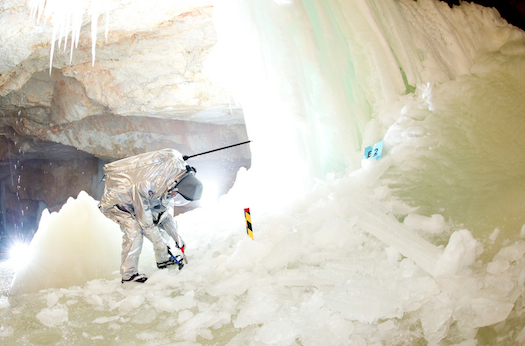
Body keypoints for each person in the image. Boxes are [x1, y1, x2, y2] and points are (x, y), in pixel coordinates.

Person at [98, 148, 203, 283]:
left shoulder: (173, 179)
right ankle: (128, 275)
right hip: (119, 205)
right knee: (135, 231)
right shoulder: (145, 187)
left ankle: (163, 260)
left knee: (160, 218)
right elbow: (146, 224)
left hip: (143, 200)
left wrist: (177, 238)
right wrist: (161, 244)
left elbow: (166, 217)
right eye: (175, 193)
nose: (175, 196)